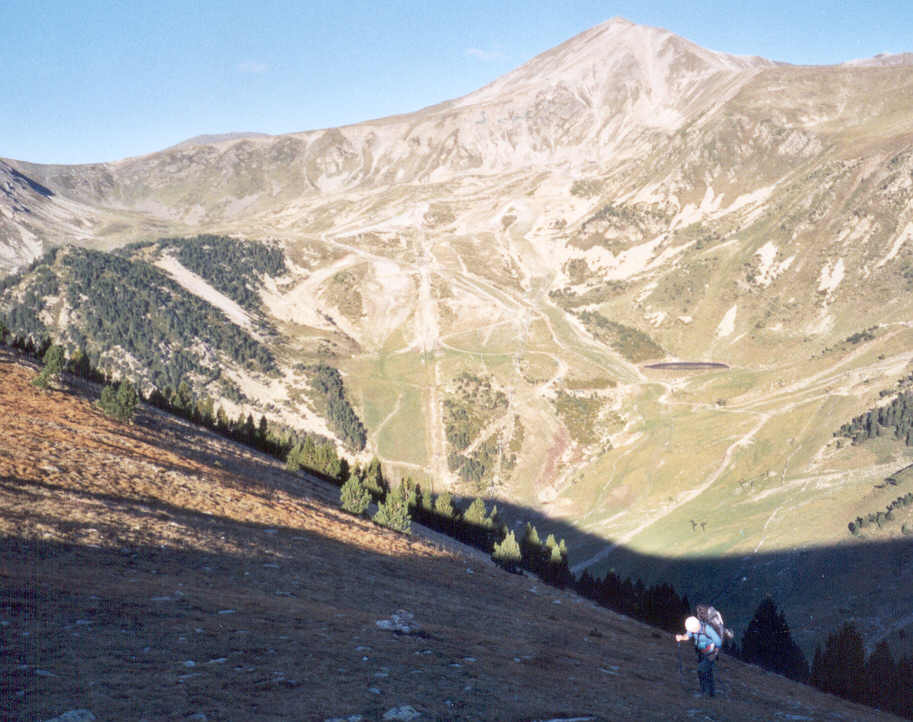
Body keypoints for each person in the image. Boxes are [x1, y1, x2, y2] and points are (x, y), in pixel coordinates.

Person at [675, 615, 721, 697]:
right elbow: (687, 636)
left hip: (710, 653)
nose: (692, 631)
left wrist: (714, 654)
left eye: (693, 630)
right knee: (707, 672)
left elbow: (718, 642)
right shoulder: (693, 627)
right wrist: (681, 637)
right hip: (701, 653)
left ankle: (705, 692)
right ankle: (710, 693)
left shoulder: (707, 629)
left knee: (701, 670)